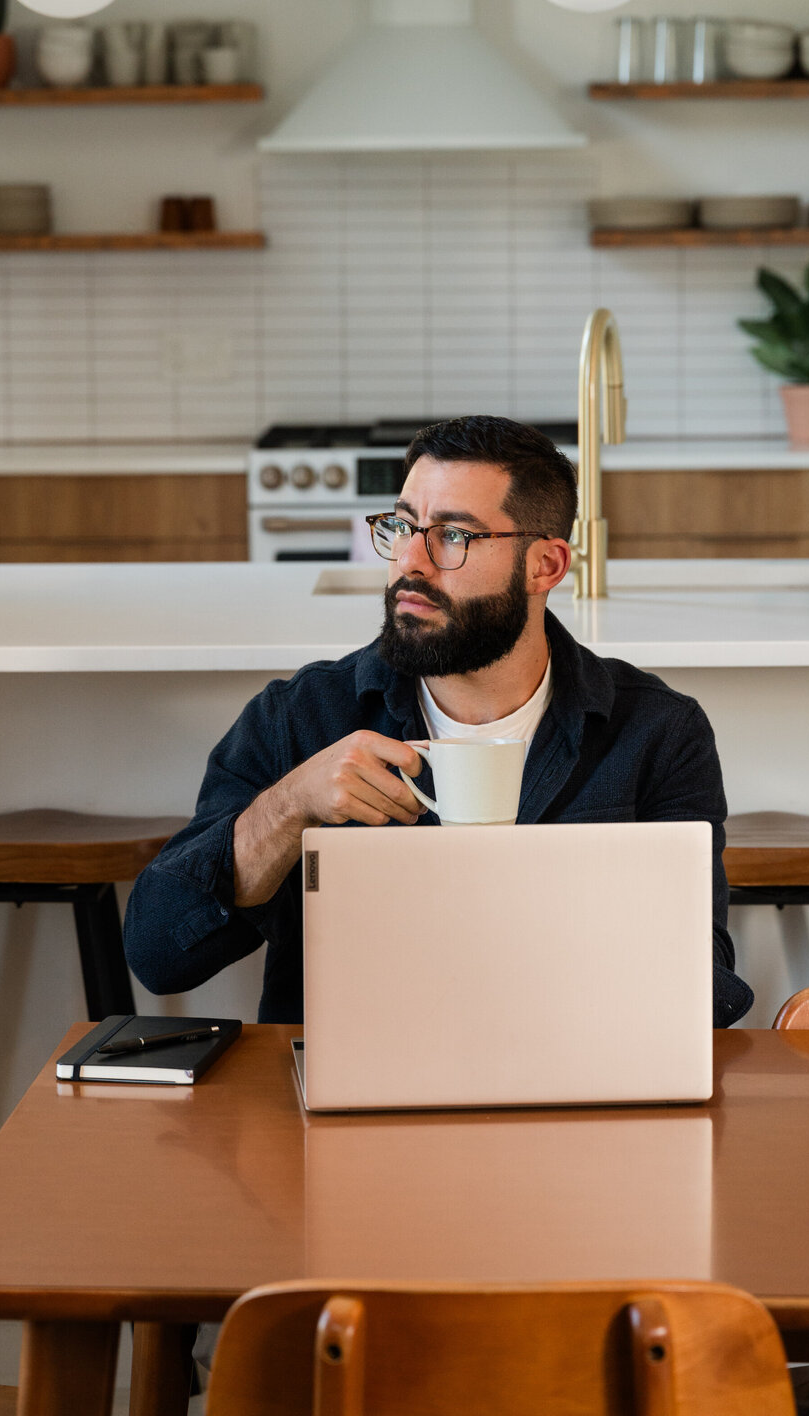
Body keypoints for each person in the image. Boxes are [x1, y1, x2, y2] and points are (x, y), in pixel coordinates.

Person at [124, 415, 753, 1027]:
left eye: (454, 535)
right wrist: (289, 808)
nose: (410, 563)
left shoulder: (657, 732)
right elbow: (158, 955)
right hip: (351, 1088)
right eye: (403, 525)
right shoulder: (303, 717)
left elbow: (709, 995)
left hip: (567, 1078)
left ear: (546, 566)